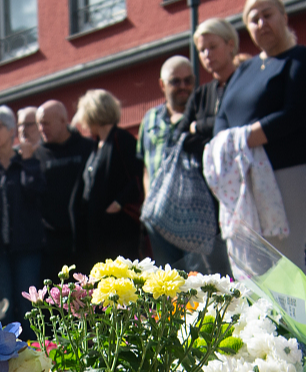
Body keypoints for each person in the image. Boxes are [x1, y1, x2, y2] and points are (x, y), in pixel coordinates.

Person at [220, 0, 306, 270]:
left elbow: (295, 112)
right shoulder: (243, 69)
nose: (262, 23)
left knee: (285, 260)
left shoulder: (301, 57)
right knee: (252, 264)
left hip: (288, 169)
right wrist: (223, 142)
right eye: (254, 19)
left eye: (268, 15)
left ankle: (300, 317)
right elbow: (223, 114)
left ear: (283, 16)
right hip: (244, 175)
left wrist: (246, 138)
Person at [155, 18, 241, 272]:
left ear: (230, 45)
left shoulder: (242, 81)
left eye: (212, 47)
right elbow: (182, 138)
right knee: (217, 274)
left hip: (241, 192)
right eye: (202, 50)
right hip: (206, 204)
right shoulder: (202, 94)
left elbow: (232, 127)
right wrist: (207, 130)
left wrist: (200, 126)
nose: (206, 55)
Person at [0, 105, 46, 322]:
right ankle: (7, 353)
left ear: (11, 130)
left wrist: (29, 162)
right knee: (3, 306)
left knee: (28, 305)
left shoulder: (26, 161)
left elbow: (37, 194)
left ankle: (34, 352)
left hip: (27, 247)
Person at [70, 89, 145, 265]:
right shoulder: (96, 145)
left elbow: (138, 176)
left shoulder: (122, 139)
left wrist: (118, 203)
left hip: (119, 229)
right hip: (99, 230)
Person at [37, 98, 100, 274]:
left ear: (63, 121)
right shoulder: (37, 155)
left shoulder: (88, 148)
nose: (42, 129)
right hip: (52, 243)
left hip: (85, 239)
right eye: (39, 124)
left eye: (46, 123)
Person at [140, 55, 196, 189]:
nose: (183, 86)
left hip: (194, 205)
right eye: (175, 81)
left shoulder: (201, 115)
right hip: (157, 205)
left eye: (188, 81)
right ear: (162, 85)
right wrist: (149, 198)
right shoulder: (150, 118)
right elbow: (145, 167)